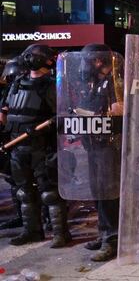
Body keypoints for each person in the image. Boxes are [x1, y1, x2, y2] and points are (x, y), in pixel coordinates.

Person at [0, 44, 69, 247]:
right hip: (17, 147)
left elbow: (62, 116)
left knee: (49, 192)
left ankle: (60, 234)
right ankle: (32, 231)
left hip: (42, 147)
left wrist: (43, 129)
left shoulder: (51, 85)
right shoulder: (17, 84)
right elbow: (6, 111)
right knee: (24, 192)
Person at [76, 44, 124, 261]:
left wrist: (100, 113)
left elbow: (120, 109)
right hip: (93, 142)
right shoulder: (95, 83)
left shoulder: (115, 81)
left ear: (98, 60)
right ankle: (104, 232)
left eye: (89, 60)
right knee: (98, 191)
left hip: (109, 144)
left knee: (108, 192)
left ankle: (112, 239)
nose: (86, 65)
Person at [0, 57, 26, 231]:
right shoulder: (10, 91)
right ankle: (22, 217)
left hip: (25, 140)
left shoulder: (23, 90)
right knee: (15, 180)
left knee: (31, 183)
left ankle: (39, 220)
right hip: (11, 139)